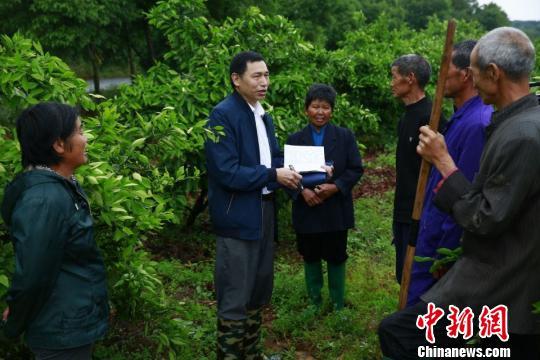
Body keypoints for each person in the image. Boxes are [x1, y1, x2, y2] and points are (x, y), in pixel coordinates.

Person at [379, 27, 540, 359]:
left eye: (476, 73)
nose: (473, 81)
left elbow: (486, 217)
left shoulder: (521, 135)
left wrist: (442, 161)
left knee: (399, 334)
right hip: (505, 283)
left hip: (501, 284)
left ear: (493, 73)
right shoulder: (515, 121)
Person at [205, 51, 302, 359]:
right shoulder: (223, 115)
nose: (264, 82)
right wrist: (274, 174)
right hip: (238, 214)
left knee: (259, 287)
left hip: (263, 211)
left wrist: (306, 169)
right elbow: (226, 171)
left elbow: (270, 159)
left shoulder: (261, 113)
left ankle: (252, 353)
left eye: (267, 75)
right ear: (236, 80)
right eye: (256, 76)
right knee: (236, 289)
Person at [0, 102, 109, 359]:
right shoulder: (45, 200)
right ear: (59, 145)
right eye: (80, 131)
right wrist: (15, 321)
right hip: (61, 330)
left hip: (70, 322)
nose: (86, 138)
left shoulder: (60, 186)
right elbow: (34, 274)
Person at [407, 40, 492, 306]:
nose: (439, 78)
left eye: (447, 69)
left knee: (426, 318)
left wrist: (446, 253)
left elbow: (463, 193)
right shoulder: (460, 116)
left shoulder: (476, 124)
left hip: (440, 244)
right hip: (432, 231)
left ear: (466, 74)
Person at [286, 84, 363, 310]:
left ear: (332, 111)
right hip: (306, 208)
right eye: (315, 106)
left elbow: (355, 169)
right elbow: (286, 173)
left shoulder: (344, 136)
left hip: (335, 208)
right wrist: (302, 191)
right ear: (306, 109)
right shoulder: (295, 139)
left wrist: (336, 187)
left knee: (336, 254)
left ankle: (338, 302)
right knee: (310, 254)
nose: (320, 112)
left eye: (326, 107)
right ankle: (315, 301)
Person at [390, 54, 445, 284]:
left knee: (417, 274)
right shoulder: (406, 117)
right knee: (403, 272)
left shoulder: (431, 117)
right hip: (403, 207)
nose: (391, 83)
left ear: (410, 78)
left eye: (394, 76)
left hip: (421, 211)